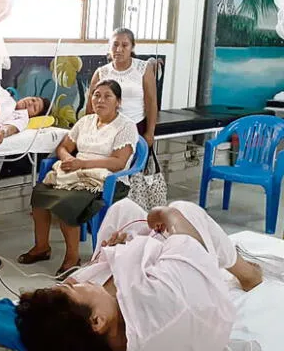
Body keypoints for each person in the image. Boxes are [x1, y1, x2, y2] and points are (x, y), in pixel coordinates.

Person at [15, 198, 263, 351]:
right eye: (72, 288)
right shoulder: (162, 302)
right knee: (182, 209)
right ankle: (247, 273)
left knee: (123, 209)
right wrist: (166, 215)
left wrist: (114, 252)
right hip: (192, 294)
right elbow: (190, 245)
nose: (77, 282)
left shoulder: (103, 335)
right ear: (97, 322)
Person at [18, 79, 138, 276]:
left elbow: (118, 162)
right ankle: (42, 248)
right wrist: (67, 159)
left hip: (107, 180)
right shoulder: (85, 121)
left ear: (118, 101)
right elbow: (64, 147)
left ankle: (72, 258)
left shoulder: (126, 126)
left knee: (68, 205)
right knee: (39, 196)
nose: (100, 100)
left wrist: (82, 164)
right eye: (96, 95)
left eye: (107, 96)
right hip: (76, 174)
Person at [86, 28, 158, 146]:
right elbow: (90, 107)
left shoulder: (143, 69)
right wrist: (90, 132)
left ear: (132, 47)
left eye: (125, 45)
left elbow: (151, 102)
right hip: (107, 130)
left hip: (137, 126)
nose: (119, 49)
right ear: (110, 47)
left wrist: (150, 133)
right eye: (115, 45)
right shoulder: (101, 72)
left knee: (130, 163)